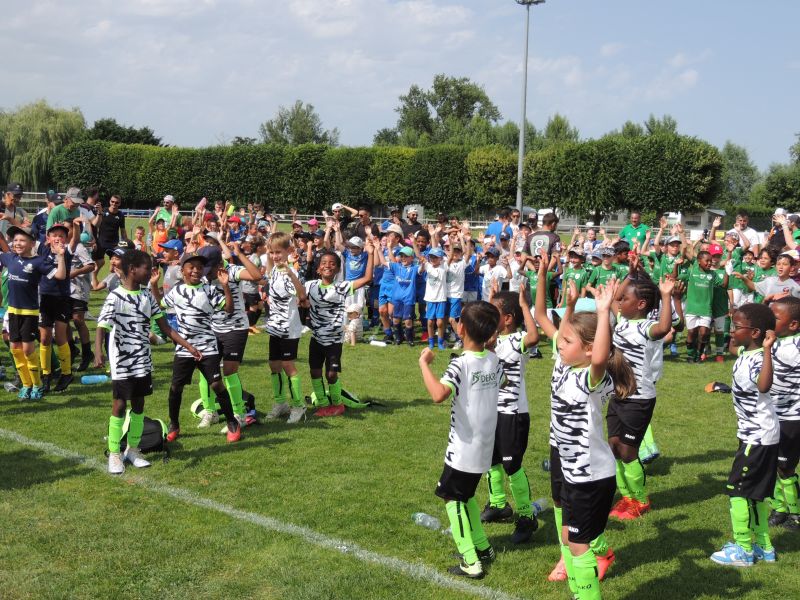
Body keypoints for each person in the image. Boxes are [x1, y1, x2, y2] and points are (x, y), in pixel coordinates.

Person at [533, 251, 635, 599]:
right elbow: (547, 320)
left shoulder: (589, 379)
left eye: (567, 342)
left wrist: (604, 312)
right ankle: (582, 586)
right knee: (570, 537)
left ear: (589, 349)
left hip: (590, 475)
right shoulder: (566, 366)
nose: (559, 345)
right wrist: (564, 298)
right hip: (573, 468)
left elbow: (600, 356)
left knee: (578, 544)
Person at [95, 250, 201, 474]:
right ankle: (114, 453)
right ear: (133, 269)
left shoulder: (147, 297)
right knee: (120, 405)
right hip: (122, 360)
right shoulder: (116, 296)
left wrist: (188, 346)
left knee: (139, 404)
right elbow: (102, 326)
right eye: (147, 268)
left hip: (142, 359)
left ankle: (133, 450)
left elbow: (166, 327)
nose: (152, 272)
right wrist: (98, 352)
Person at [418, 301, 503, 579]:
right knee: (465, 496)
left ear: (461, 328)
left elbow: (438, 394)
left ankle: (470, 560)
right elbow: (502, 382)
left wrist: (424, 364)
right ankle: (483, 548)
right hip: (484, 445)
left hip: (463, 448)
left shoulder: (461, 364)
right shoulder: (494, 360)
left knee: (451, 498)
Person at [710, 303, 779, 567]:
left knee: (737, 491)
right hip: (758, 435)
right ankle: (764, 547)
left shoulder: (759, 358)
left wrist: (767, 349)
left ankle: (743, 549)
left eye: (736, 327)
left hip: (757, 438)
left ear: (755, 333)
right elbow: (733, 348)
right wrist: (736, 326)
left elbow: (764, 385)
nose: (731, 330)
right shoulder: (745, 351)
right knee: (755, 494)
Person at [150, 251, 242, 444]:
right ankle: (174, 424)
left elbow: (229, 308)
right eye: (191, 267)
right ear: (182, 270)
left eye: (200, 267)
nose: (196, 271)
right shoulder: (177, 291)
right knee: (176, 387)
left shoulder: (209, 290)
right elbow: (160, 304)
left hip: (207, 346)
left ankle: (232, 423)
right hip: (184, 348)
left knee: (216, 384)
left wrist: (225, 286)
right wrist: (153, 285)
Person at [607, 263, 675, 520]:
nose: (620, 302)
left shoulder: (646, 326)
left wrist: (666, 296)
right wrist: (629, 274)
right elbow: (615, 297)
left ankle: (641, 500)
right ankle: (626, 498)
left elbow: (664, 328)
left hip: (639, 399)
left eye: (626, 299)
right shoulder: (622, 321)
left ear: (641, 304)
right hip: (617, 396)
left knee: (628, 451)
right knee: (613, 447)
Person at [481, 285, 540, 544]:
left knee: (511, 465)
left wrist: (525, 306)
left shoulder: (517, 340)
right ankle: (498, 504)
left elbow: (534, 337)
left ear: (507, 319)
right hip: (489, 411)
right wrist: (490, 300)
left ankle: (526, 516)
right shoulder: (488, 339)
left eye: (494, 312)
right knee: (490, 460)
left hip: (512, 414)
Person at [0, 226, 68, 400]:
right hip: (12, 311)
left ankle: (37, 384)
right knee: (15, 349)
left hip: (29, 313)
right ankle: (26, 385)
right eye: (15, 240)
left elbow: (61, 275)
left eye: (22, 240)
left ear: (32, 243)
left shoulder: (38, 262)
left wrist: (61, 256)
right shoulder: (10, 258)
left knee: (28, 350)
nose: (17, 243)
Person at [304, 247, 373, 417]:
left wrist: (371, 254)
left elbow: (367, 278)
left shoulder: (342, 287)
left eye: (332, 263)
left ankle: (337, 404)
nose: (328, 266)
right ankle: (323, 404)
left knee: (331, 374)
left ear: (337, 269)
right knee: (314, 372)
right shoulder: (310, 286)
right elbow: (296, 293)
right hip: (316, 339)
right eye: (324, 263)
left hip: (334, 341)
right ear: (318, 268)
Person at [263, 232, 309, 424]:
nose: (275, 256)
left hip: (289, 327)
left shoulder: (291, 272)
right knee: (274, 365)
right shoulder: (274, 269)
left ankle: (299, 405)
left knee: (288, 365)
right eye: (272, 252)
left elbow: (302, 296)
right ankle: (280, 403)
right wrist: (269, 250)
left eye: (278, 252)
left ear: (288, 251)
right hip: (275, 326)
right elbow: (268, 269)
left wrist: (291, 273)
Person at [767, 297, 800, 530]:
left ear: (793, 324)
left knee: (785, 467)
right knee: (772, 463)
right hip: (773, 415)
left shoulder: (790, 348)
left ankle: (795, 513)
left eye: (775, 318)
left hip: (791, 418)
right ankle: (779, 508)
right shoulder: (774, 343)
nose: (769, 321)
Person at [678, 250, 728, 362]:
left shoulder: (713, 274)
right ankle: (690, 355)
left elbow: (723, 285)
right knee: (692, 333)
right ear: (699, 261)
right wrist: (676, 266)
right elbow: (676, 276)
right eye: (707, 261)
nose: (710, 263)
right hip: (692, 308)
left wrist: (727, 273)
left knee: (704, 333)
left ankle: (699, 354)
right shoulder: (691, 272)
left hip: (706, 309)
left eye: (711, 261)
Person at [94, 194, 128, 284]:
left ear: (119, 203)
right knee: (99, 263)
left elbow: (123, 230)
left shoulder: (121, 215)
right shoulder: (103, 211)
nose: (114, 204)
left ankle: (112, 283)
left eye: (116, 202)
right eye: (112, 201)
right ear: (110, 201)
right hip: (101, 242)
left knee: (116, 265)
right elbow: (95, 225)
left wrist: (127, 242)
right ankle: (93, 281)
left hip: (114, 244)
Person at [420, 247, 448, 350]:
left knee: (440, 322)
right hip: (430, 299)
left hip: (440, 298)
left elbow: (448, 259)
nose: (433, 259)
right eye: (431, 257)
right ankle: (431, 341)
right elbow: (421, 269)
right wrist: (422, 263)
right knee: (430, 322)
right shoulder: (428, 265)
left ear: (441, 258)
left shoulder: (444, 267)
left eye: (436, 257)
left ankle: (440, 341)